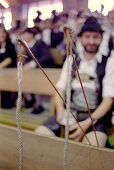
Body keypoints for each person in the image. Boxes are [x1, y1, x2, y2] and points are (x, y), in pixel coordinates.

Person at [35, 16, 114, 147]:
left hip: (95, 118)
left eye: (96, 37)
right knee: (39, 137)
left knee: (92, 149)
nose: (92, 41)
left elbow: (108, 100)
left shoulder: (109, 63)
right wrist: (60, 111)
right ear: (81, 38)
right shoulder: (71, 60)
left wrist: (87, 123)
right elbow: (59, 89)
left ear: (101, 38)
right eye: (88, 36)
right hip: (69, 113)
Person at [21, 27, 54, 114]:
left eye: (25, 34)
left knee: (36, 80)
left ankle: (39, 105)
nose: (23, 36)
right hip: (34, 72)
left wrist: (32, 64)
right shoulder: (27, 46)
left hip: (45, 71)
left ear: (31, 34)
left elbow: (46, 57)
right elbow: (27, 61)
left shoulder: (40, 43)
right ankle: (30, 99)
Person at [0, 24, 17, 108]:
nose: (1, 34)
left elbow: (9, 59)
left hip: (10, 73)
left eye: (3, 32)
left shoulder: (10, 45)